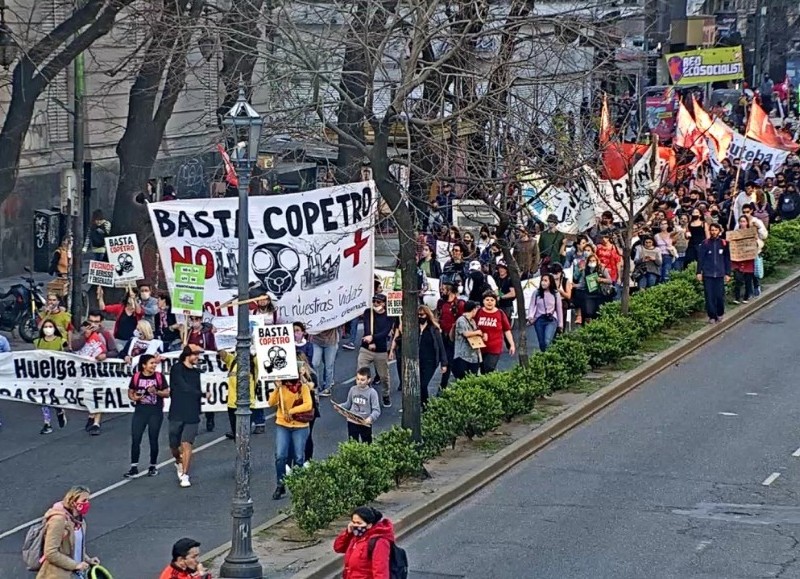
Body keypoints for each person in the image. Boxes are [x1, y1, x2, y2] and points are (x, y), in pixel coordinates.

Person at [37, 485, 100, 579]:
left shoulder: (80, 521)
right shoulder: (58, 521)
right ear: (73, 502)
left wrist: (88, 560)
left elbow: (76, 547)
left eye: (88, 500)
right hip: (58, 575)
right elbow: (50, 552)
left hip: (75, 574)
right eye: (84, 501)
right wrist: (75, 565)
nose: (87, 503)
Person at [124, 354, 170, 478]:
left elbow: (166, 393)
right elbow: (131, 391)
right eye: (151, 363)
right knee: (136, 438)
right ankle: (134, 467)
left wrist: (156, 392)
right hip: (140, 411)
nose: (154, 365)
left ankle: (152, 466)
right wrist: (135, 397)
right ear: (144, 365)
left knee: (153, 439)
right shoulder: (137, 376)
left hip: (155, 411)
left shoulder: (159, 377)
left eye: (155, 363)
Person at [269, 376, 313, 500]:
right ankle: (280, 484)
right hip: (283, 425)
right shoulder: (281, 388)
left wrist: (292, 411)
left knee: (299, 457)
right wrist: (277, 389)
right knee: (280, 456)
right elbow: (271, 403)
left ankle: (298, 486)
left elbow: (308, 404)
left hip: (300, 426)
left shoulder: (303, 387)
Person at [168, 345, 205, 488]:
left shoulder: (196, 373)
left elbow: (195, 390)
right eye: (195, 354)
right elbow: (183, 386)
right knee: (174, 444)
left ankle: (184, 474)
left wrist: (199, 409)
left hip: (192, 412)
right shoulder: (176, 369)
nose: (197, 357)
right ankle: (178, 461)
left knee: (187, 443)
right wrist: (200, 394)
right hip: (177, 411)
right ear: (187, 355)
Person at [333, 506, 396, 579]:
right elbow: (338, 547)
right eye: (353, 522)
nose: (355, 525)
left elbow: (380, 570)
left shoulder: (380, 542)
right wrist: (347, 533)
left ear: (369, 525)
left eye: (359, 523)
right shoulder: (356, 537)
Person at [356, 294, 395, 407]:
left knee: (384, 376)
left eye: (378, 302)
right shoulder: (369, 312)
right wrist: (370, 341)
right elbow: (367, 327)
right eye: (374, 301)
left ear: (384, 304)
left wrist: (373, 338)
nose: (375, 304)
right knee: (361, 372)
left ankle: (385, 395)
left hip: (381, 350)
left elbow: (385, 332)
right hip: (366, 348)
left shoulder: (389, 316)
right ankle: (364, 395)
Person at [219, 347, 264, 439]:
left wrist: (254, 349)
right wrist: (221, 344)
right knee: (236, 435)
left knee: (244, 435)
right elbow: (223, 354)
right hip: (232, 404)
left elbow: (262, 358)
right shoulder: (233, 361)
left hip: (247, 404)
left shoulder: (254, 363)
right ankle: (240, 453)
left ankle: (244, 453)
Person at [35, 321, 69, 434]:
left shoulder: (61, 341)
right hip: (42, 375)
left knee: (54, 396)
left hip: (57, 375)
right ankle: (47, 423)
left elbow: (69, 353)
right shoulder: (37, 342)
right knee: (43, 399)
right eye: (45, 327)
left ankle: (59, 410)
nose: (48, 329)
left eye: (50, 326)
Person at [697, 222, 731, 324]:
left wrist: (728, 273)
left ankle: (720, 313)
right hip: (708, 274)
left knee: (719, 296)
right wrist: (699, 272)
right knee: (709, 296)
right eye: (712, 230)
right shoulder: (705, 243)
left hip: (720, 274)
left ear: (719, 231)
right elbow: (701, 259)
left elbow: (727, 259)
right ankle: (712, 316)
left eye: (715, 230)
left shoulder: (724, 243)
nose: (713, 232)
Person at [475, 290, 515, 373]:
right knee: (481, 370)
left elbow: (507, 330)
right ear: (483, 301)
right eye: (487, 300)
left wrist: (512, 344)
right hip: (479, 347)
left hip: (494, 347)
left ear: (495, 301)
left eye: (492, 300)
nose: (489, 302)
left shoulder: (500, 313)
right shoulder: (478, 312)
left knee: (489, 368)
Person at [415, 305, 448, 406]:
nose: (420, 317)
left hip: (431, 361)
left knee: (423, 384)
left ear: (427, 315)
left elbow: (440, 346)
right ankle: (423, 404)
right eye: (418, 315)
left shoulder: (433, 329)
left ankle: (425, 405)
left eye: (422, 315)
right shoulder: (414, 328)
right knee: (420, 384)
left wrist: (444, 363)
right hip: (417, 360)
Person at [435, 281, 465, 389]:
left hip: (455, 336)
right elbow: (438, 316)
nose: (441, 291)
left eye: (443, 289)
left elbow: (462, 320)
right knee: (446, 359)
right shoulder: (441, 303)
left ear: (450, 290)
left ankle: (443, 385)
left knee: (450, 360)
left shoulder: (460, 304)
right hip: (443, 335)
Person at [339, 367, 381, 443]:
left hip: (365, 422)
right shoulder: (353, 389)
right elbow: (348, 404)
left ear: (368, 380)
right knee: (353, 443)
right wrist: (340, 406)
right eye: (358, 379)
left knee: (367, 443)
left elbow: (376, 410)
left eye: (362, 380)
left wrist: (370, 418)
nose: (359, 382)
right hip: (352, 421)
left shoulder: (372, 393)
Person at [96, 285, 142, 352]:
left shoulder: (138, 310)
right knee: (121, 354)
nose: (131, 299)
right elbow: (103, 308)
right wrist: (100, 296)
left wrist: (134, 299)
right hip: (119, 340)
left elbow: (139, 311)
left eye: (135, 297)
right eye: (130, 297)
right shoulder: (120, 308)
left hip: (133, 341)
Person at [526, 273, 563, 352]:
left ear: (550, 282)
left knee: (547, 341)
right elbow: (532, 306)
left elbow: (559, 310)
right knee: (542, 343)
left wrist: (560, 324)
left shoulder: (556, 294)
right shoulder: (536, 293)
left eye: (546, 280)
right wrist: (530, 317)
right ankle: (544, 357)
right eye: (542, 280)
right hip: (539, 319)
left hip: (551, 320)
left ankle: (549, 357)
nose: (543, 282)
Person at [451, 301, 483, 379]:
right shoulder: (461, 320)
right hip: (462, 356)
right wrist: (477, 332)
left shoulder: (473, 321)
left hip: (473, 356)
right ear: (474, 309)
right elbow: (465, 334)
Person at [310, 327, 338, 397]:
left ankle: (327, 388)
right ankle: (316, 385)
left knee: (329, 366)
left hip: (331, 341)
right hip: (316, 341)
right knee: (314, 363)